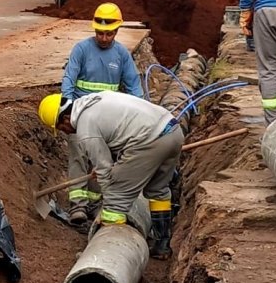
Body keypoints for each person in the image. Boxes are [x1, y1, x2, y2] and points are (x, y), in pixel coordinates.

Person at [38, 91, 183, 260]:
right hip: (173, 130)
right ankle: (162, 245)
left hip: (150, 140)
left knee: (114, 206)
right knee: (157, 190)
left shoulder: (86, 128)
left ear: (64, 119)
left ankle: (105, 256)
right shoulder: (95, 101)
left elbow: (105, 172)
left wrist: (110, 199)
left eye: (62, 128)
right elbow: (120, 137)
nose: (66, 132)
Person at [60, 2, 143, 224]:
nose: (103, 38)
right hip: (79, 116)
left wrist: (140, 112)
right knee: (78, 155)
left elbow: (134, 85)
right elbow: (69, 79)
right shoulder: (81, 50)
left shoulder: (121, 55)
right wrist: (66, 108)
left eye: (108, 34)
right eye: (99, 33)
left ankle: (96, 202)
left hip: (107, 121)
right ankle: (78, 205)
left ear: (117, 31)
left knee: (102, 160)